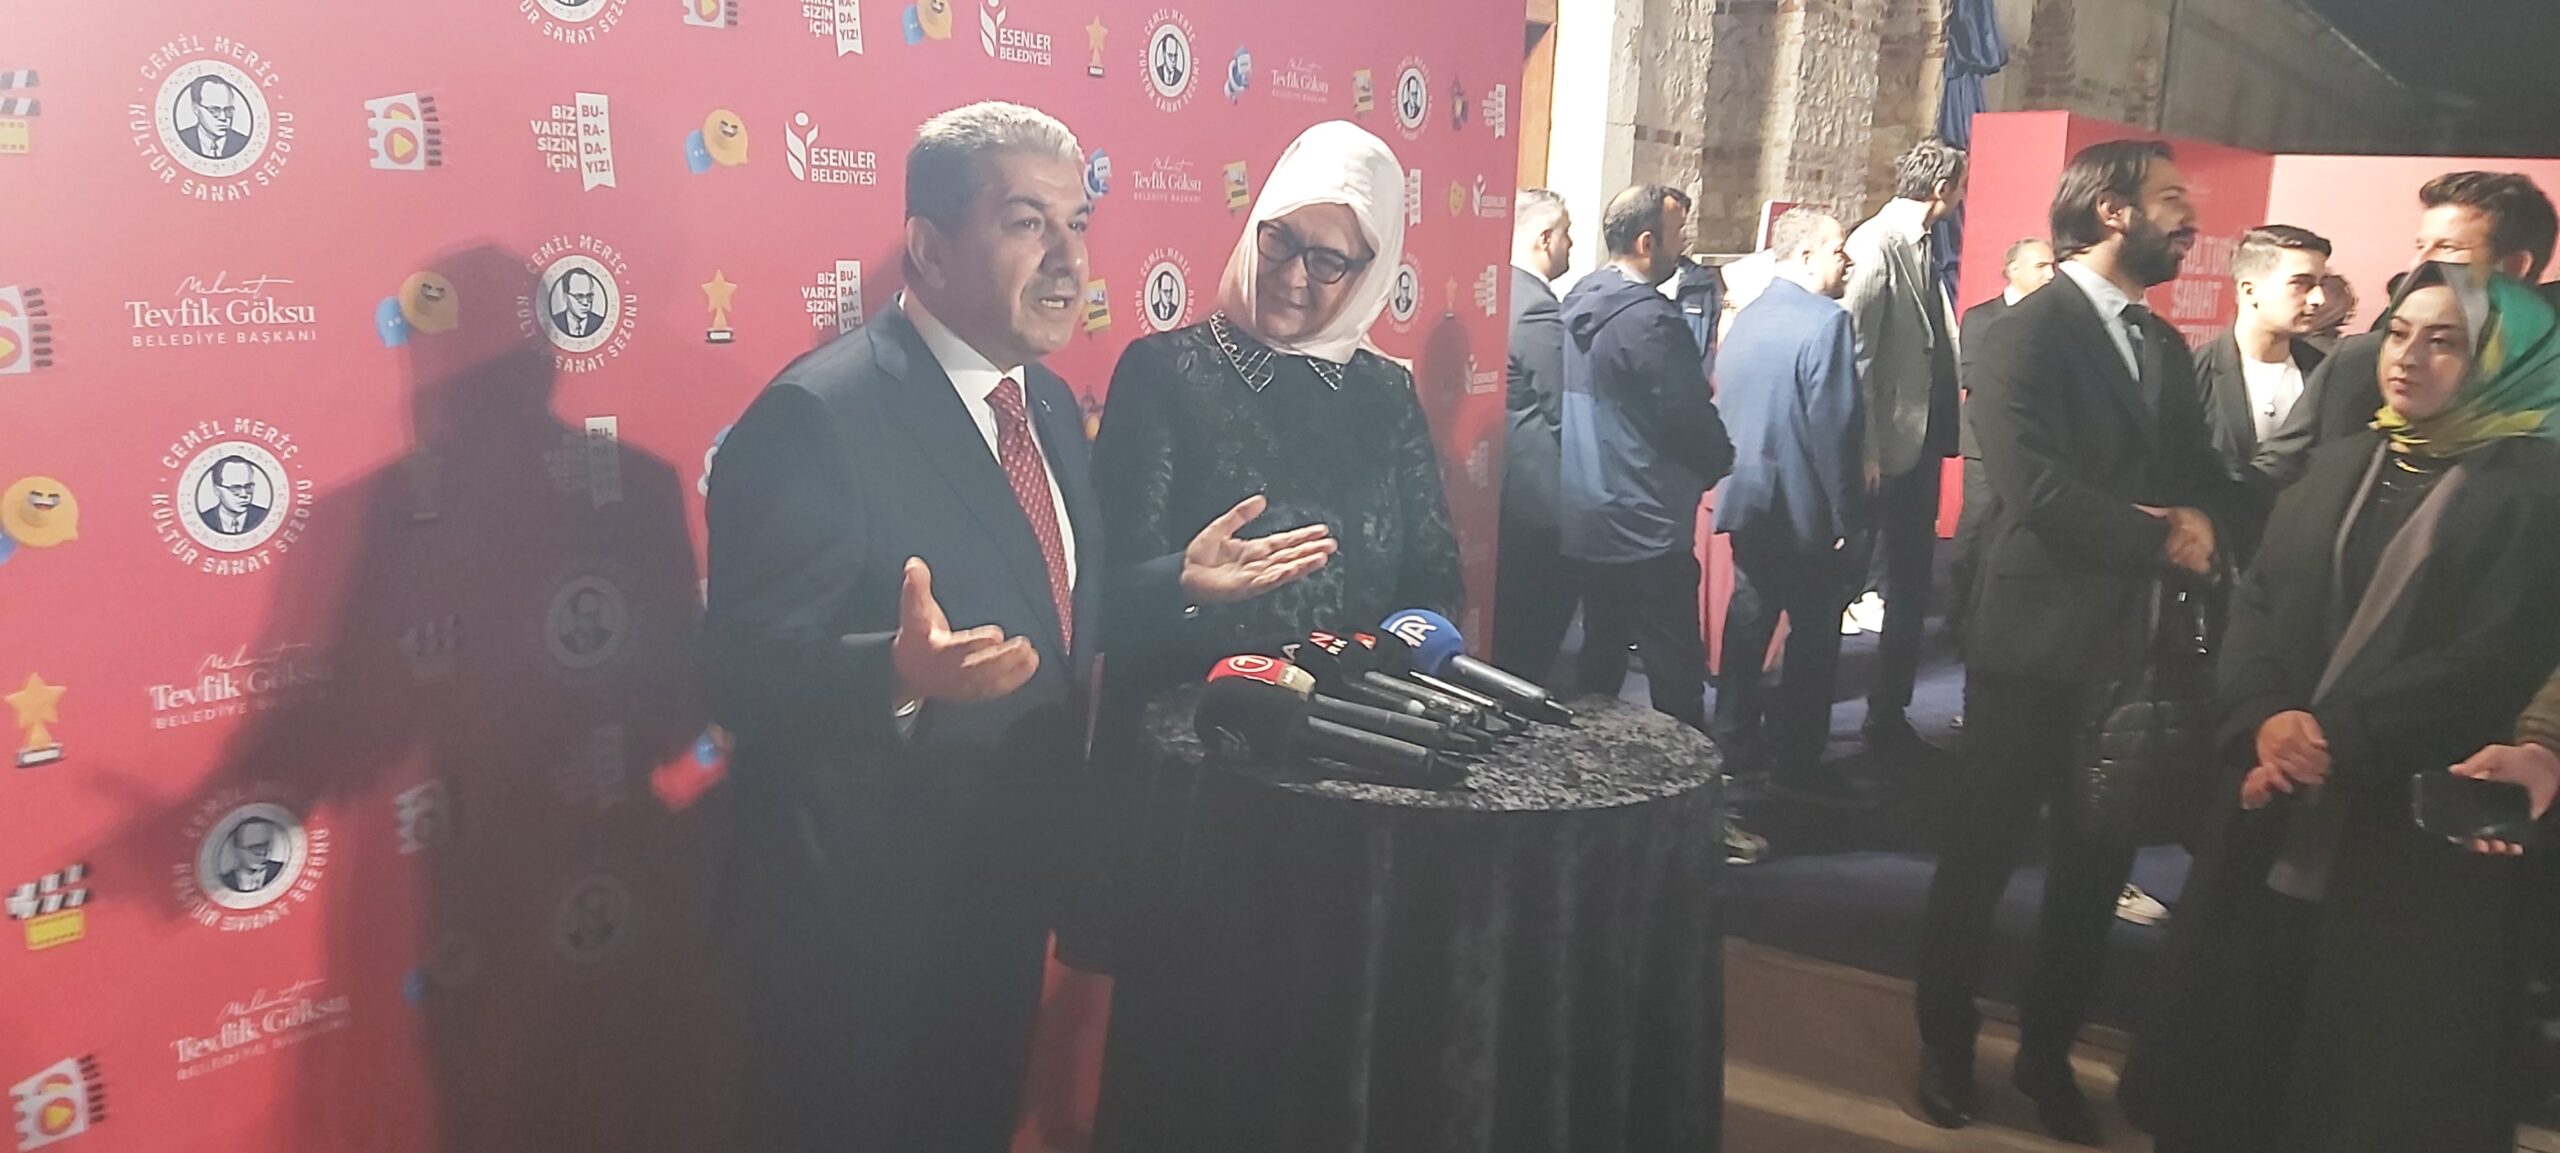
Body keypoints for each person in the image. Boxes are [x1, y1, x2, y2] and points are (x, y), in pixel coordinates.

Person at [704, 101, 1325, 1153]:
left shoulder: (1039, 401)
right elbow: (736, 673)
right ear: (928, 247)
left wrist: (1175, 583)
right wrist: (896, 673)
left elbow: (1043, 611)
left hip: (999, 893)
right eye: (1027, 222)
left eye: (1076, 223)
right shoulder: (819, 417)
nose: (1068, 258)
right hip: (858, 933)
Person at [2121, 262, 2560, 1153]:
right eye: (2400, 332)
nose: (2409, 356)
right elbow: (2260, 601)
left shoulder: (2535, 494)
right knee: (2232, 1061)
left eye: (2446, 342)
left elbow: (2495, 654)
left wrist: (2333, 734)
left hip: (2405, 832)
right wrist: (2266, 716)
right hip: (2275, 799)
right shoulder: (2342, 460)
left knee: (2362, 1083)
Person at [1914, 139, 2253, 1144]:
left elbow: (2194, 475)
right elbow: (2039, 492)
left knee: (2095, 863)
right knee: (1980, 855)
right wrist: (2164, 536)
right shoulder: (2021, 331)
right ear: (2112, 211)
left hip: (2128, 647)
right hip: (2028, 643)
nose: (2189, 220)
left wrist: (2219, 519)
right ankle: (1945, 1042)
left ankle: (2047, 1054)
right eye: (2171, 199)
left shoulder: (2162, 346)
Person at [1093, 118, 1450, 690]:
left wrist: (1382, 667)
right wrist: (1182, 585)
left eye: (1326, 260)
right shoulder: (1165, 371)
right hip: (1193, 719)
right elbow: (1106, 592)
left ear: (1369, 274)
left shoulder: (1386, 392)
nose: (1291, 275)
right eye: (1280, 239)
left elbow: (1434, 582)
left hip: (1358, 719)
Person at [1558, 184, 1734, 732]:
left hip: (1589, 508)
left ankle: (1588, 759)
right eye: (1678, 233)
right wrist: (1718, 461)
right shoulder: (1651, 321)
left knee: (1601, 652)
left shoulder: (1577, 300)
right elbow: (1687, 417)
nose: (1685, 245)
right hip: (1647, 517)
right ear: (1645, 242)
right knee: (1674, 665)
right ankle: (1687, 773)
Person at [1710, 208, 1868, 807]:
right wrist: (1849, 517)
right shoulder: (1827, 322)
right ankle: (1797, 758)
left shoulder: (1747, 316)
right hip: (1803, 508)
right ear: (1805, 257)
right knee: (1814, 637)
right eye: (1837, 249)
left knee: (1749, 624)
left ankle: (1732, 741)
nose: (1846, 260)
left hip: (1748, 495)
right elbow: (1835, 428)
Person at [2261, 172, 2558, 487]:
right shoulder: (2358, 363)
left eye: (2447, 248)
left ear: (2514, 267)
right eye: (2420, 246)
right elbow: (2279, 471)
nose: (2418, 263)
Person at [1842, 136, 1968, 755]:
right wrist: (1866, 448)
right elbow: (1857, 354)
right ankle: (1821, 719)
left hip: (1916, 446)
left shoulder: (1920, 242)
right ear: (1942, 189)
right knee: (1853, 580)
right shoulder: (1877, 243)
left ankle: (1888, 714)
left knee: (1912, 585)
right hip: (1886, 452)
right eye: (1961, 188)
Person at [1947, 237, 2055, 643]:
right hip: (1985, 443)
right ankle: (1958, 615)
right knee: (1977, 524)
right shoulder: (1980, 318)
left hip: (2037, 443)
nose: (2050, 275)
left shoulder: (2055, 321)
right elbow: (1970, 374)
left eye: (2052, 266)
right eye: (2041, 266)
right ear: (2013, 270)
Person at [1493, 188, 1577, 683]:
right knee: (1532, 639)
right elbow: (1564, 406)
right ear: (1544, 238)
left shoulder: (1495, 290)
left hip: (1501, 487)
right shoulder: (1536, 308)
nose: (1571, 245)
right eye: (1567, 233)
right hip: (1538, 497)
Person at [2196, 226, 2330, 490]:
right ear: (2250, 291)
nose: (2319, 299)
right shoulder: (2193, 373)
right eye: (2301, 284)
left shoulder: (2326, 372)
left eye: (2320, 284)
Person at [178, 75, 249, 160]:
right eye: (214, 110)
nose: (223, 117)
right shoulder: (180, 140)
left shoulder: (244, 143)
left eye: (228, 110)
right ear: (196, 109)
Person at [200, 456, 271, 536]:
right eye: (235, 488)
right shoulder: (204, 520)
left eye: (248, 487)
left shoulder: (265, 517)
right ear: (217, 490)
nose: (244, 494)